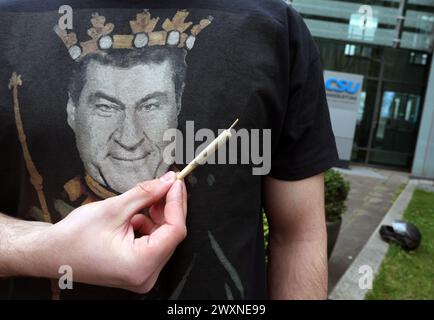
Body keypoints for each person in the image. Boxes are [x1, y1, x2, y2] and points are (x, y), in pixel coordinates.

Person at [0, 0, 338, 300]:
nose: (129, 138)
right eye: (105, 107)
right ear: (72, 110)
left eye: (150, 107)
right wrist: (45, 249)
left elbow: (298, 236)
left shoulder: (275, 29)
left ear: (177, 105)